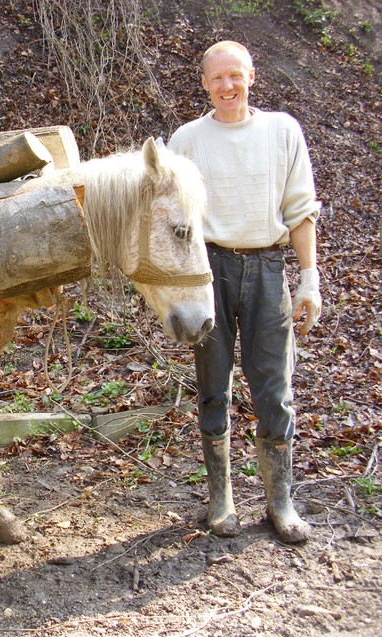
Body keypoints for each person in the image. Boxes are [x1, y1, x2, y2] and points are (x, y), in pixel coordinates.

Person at [168, 41, 321, 543]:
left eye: (235, 76)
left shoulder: (282, 130)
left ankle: (280, 502)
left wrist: (310, 277)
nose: (227, 87)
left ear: (251, 76)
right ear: (204, 84)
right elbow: (166, 220)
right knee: (213, 386)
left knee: (274, 389)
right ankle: (221, 500)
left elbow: (301, 211)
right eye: (217, 79)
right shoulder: (186, 141)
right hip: (208, 271)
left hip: (269, 269)